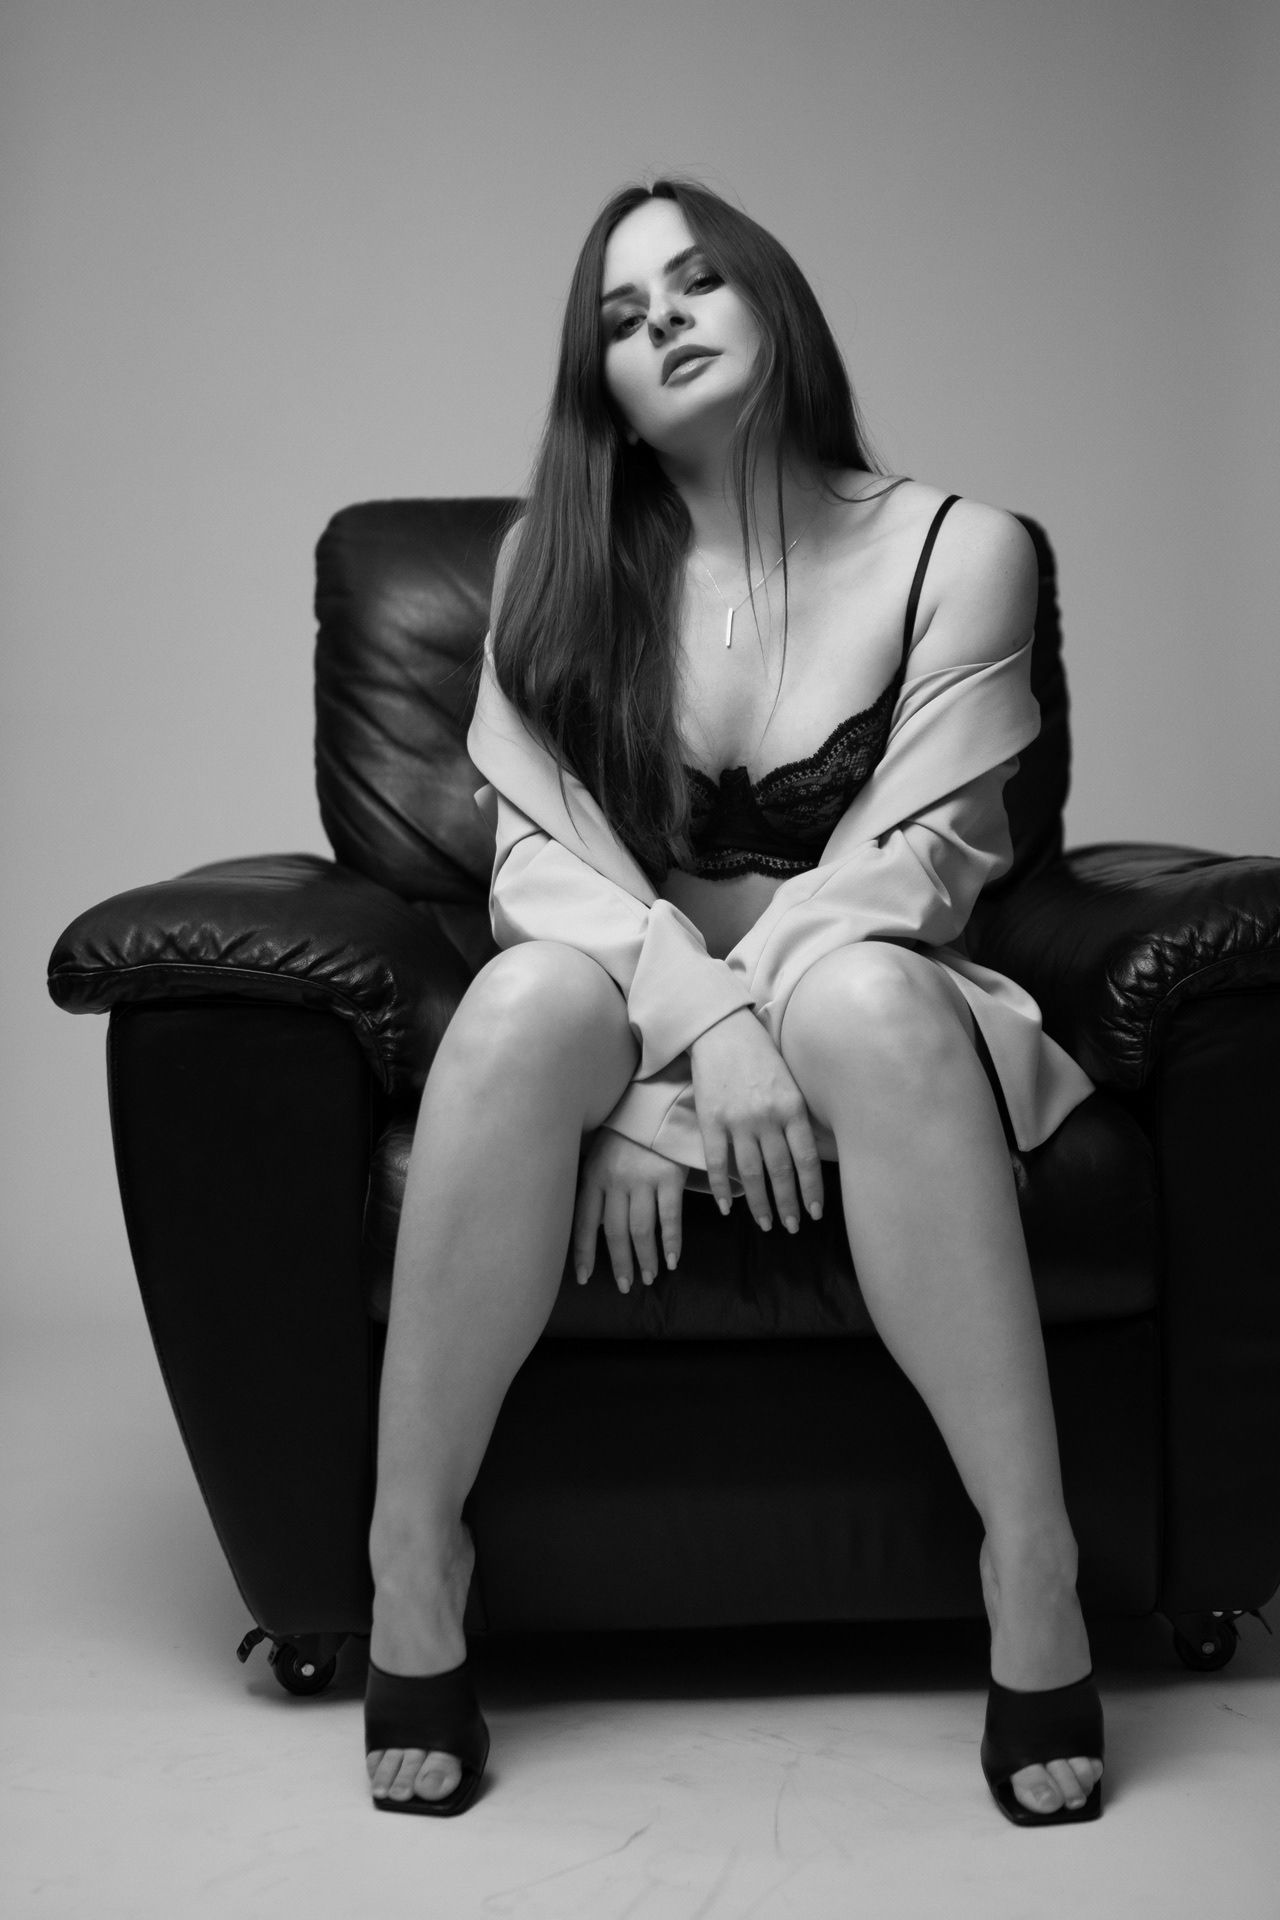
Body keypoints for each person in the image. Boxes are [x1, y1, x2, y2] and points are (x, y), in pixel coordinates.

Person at [363, 178, 1105, 1827]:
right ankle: (411, 1558)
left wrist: (706, 1054)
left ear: (773, 298)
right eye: (624, 320)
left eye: (698, 282)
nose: (669, 324)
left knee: (871, 998)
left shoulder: (960, 551)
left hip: (855, 994)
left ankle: (1033, 1563)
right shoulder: (547, 566)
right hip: (618, 1008)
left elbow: (925, 855)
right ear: (605, 390)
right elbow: (540, 867)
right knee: (517, 1006)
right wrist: (680, 1045)